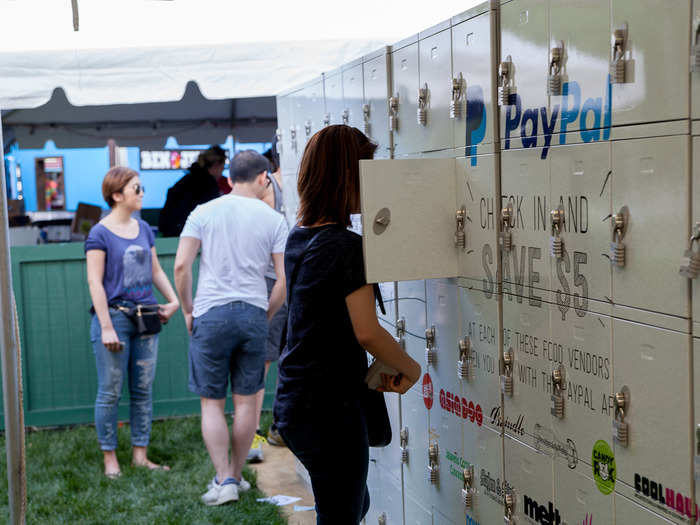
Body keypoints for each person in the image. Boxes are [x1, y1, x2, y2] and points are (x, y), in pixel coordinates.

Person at [274, 125, 421, 524]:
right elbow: (367, 331)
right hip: (328, 411)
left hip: (296, 402)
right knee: (342, 514)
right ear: (348, 175)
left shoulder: (300, 236)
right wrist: (412, 368)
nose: (373, 179)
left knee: (354, 505)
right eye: (367, 168)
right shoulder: (345, 246)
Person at [174, 150, 288, 506]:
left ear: (230, 177)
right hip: (253, 313)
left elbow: (181, 266)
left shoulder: (204, 212)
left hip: (210, 313)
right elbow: (284, 279)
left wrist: (188, 310)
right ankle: (235, 478)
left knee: (212, 402)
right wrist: (265, 314)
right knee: (246, 403)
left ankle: (222, 479)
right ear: (261, 178)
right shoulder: (273, 219)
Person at [85, 167, 180, 479]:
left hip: (146, 318)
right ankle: (109, 457)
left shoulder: (143, 229)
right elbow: (95, 283)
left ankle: (140, 455)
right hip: (114, 318)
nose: (141, 193)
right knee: (110, 390)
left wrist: (173, 299)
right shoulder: (99, 233)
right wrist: (107, 326)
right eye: (136, 188)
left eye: (140, 188)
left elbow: (154, 271)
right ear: (116, 195)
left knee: (143, 389)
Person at [246, 145, 287, 457]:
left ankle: (274, 427)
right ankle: (254, 435)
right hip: (272, 282)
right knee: (265, 359)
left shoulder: (279, 188)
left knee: (279, 356)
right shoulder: (266, 190)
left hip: (283, 282)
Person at [158, 145, 227, 237]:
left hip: (172, 232)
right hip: (189, 234)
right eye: (222, 169)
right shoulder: (209, 185)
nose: (221, 174)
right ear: (216, 166)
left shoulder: (185, 180)